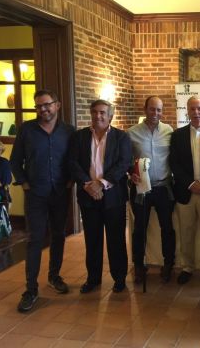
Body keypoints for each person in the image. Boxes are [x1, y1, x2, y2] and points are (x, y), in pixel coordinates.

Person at [10, 89, 75, 312]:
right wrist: (25, 184)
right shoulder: (27, 130)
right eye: (38, 106)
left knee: (58, 235)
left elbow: (73, 161)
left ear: (57, 105)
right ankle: (31, 289)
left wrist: (70, 182)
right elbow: (15, 161)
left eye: (47, 105)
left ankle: (54, 276)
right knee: (35, 239)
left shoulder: (68, 131)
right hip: (35, 194)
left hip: (59, 193)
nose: (43, 109)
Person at [69, 99, 131, 294]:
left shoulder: (121, 137)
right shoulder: (78, 137)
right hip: (88, 196)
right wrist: (88, 184)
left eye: (103, 112)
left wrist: (101, 183)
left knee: (116, 240)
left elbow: (124, 163)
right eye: (95, 112)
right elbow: (72, 163)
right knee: (92, 240)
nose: (98, 116)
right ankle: (93, 278)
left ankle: (119, 279)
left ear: (110, 116)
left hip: (114, 197)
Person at [169, 96, 200, 284]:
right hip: (186, 192)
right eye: (192, 109)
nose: (196, 112)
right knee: (186, 232)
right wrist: (190, 183)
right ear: (187, 111)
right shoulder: (177, 135)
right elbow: (174, 163)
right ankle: (187, 267)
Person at [128, 96, 176, 283]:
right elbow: (125, 159)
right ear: (145, 109)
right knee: (140, 228)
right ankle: (139, 265)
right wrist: (129, 173)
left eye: (159, 110)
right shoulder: (131, 133)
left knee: (167, 228)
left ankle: (169, 263)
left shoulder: (169, 131)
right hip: (141, 188)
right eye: (152, 109)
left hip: (164, 188)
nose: (155, 113)